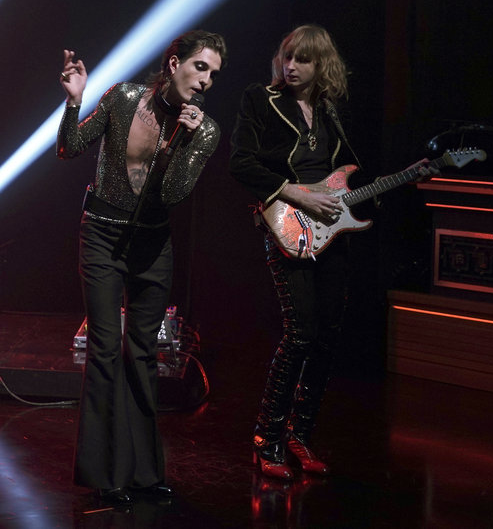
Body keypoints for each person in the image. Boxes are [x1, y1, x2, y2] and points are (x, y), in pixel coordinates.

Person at [229, 25, 434, 480]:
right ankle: (266, 438)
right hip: (287, 223)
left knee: (326, 337)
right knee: (300, 332)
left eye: (302, 59)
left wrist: (405, 176)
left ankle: (299, 435)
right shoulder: (261, 99)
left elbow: (346, 182)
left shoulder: (329, 114)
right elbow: (240, 161)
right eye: (287, 56)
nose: (291, 66)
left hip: (331, 233)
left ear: (322, 65)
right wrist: (296, 193)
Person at [57, 30, 225, 505]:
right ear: (174, 64)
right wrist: (74, 101)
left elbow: (171, 194)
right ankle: (105, 474)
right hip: (103, 236)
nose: (206, 80)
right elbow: (69, 148)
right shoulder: (123, 98)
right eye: (200, 67)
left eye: (214, 74)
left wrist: (183, 143)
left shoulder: (205, 131)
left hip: (152, 245)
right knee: (105, 348)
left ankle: (144, 474)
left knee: (143, 352)